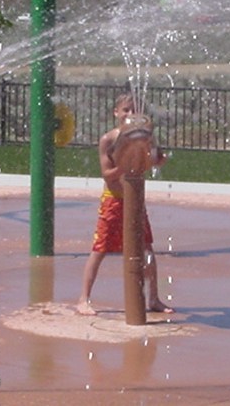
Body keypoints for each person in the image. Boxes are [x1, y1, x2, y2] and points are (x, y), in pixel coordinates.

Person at [76, 93, 174, 316]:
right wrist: (124, 165)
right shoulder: (108, 140)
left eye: (133, 110)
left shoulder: (145, 137)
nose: (130, 114)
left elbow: (151, 162)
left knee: (147, 248)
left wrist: (158, 159)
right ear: (116, 113)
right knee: (100, 249)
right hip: (113, 199)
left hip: (135, 200)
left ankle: (154, 298)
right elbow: (107, 175)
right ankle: (83, 298)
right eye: (125, 110)